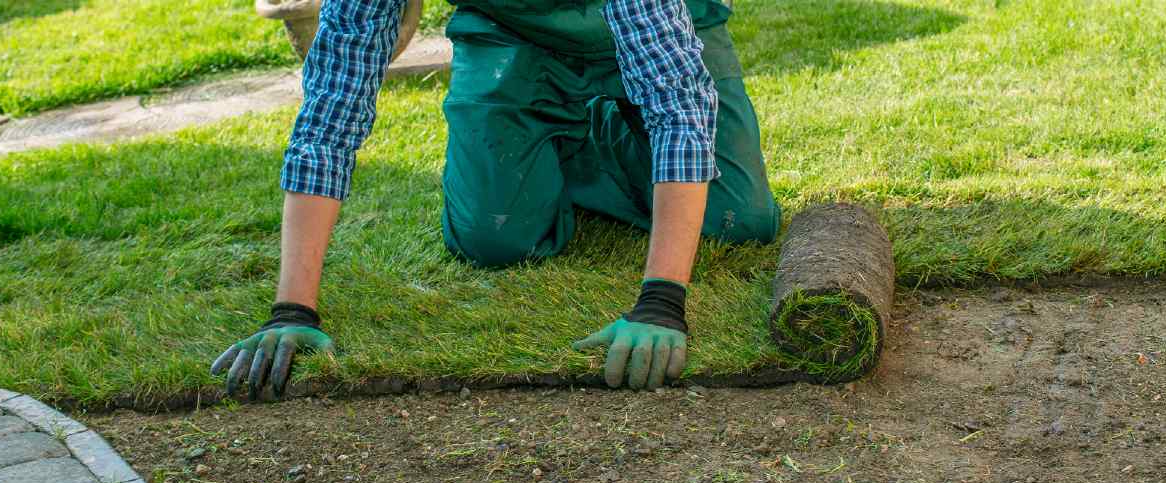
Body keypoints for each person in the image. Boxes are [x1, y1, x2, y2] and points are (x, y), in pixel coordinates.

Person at [210, 0, 780, 398]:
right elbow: (333, 105)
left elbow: (677, 100)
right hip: (513, 41)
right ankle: (560, 141)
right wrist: (292, 309)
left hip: (674, 26)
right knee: (494, 236)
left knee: (737, 219)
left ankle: (601, 127)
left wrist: (660, 301)